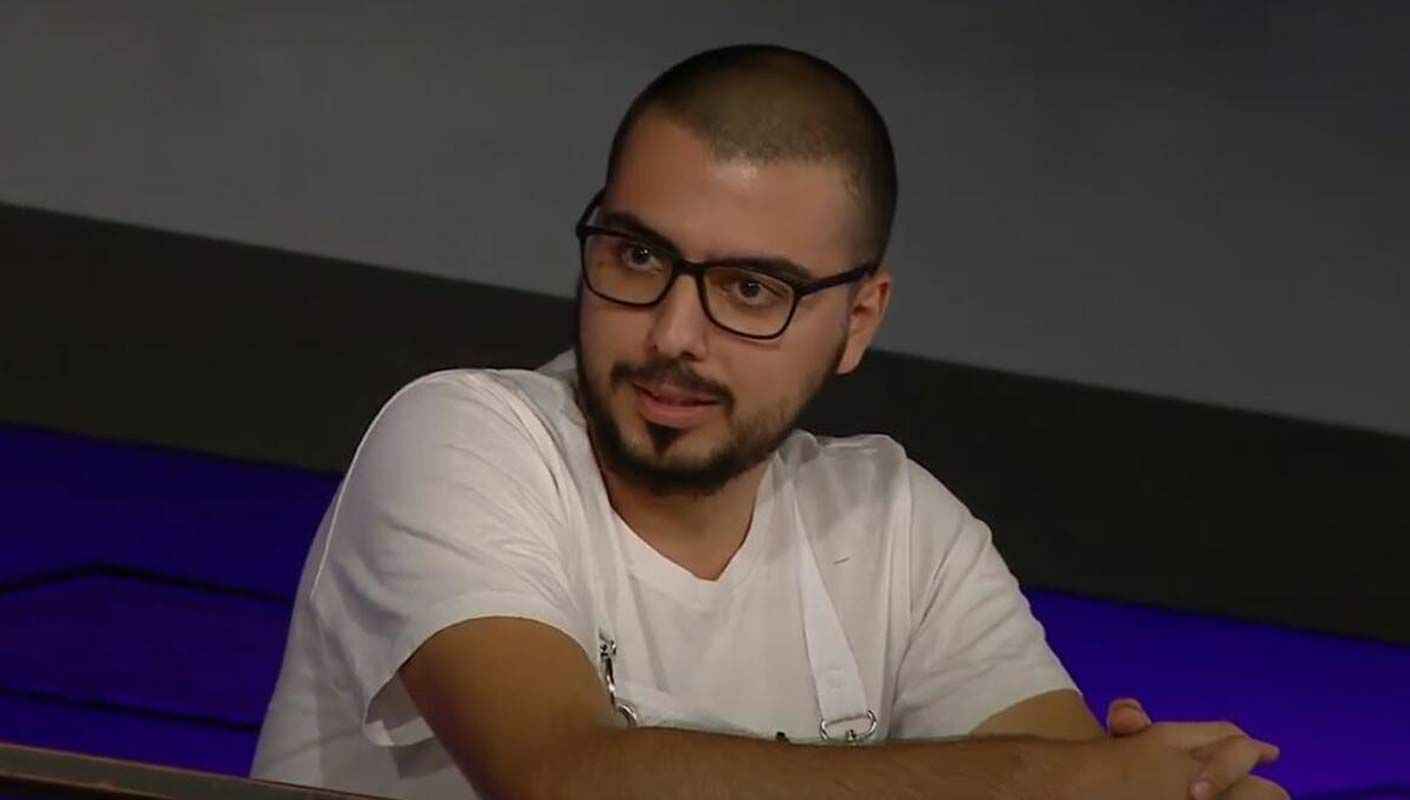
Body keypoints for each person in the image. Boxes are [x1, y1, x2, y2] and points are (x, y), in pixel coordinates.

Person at [251, 45, 1287, 800]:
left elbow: (1078, 781)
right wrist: (1059, 783)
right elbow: (564, 779)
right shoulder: (464, 437)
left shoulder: (897, 526)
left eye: (751, 289)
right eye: (637, 255)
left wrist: (1178, 788)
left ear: (858, 320)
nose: (672, 334)